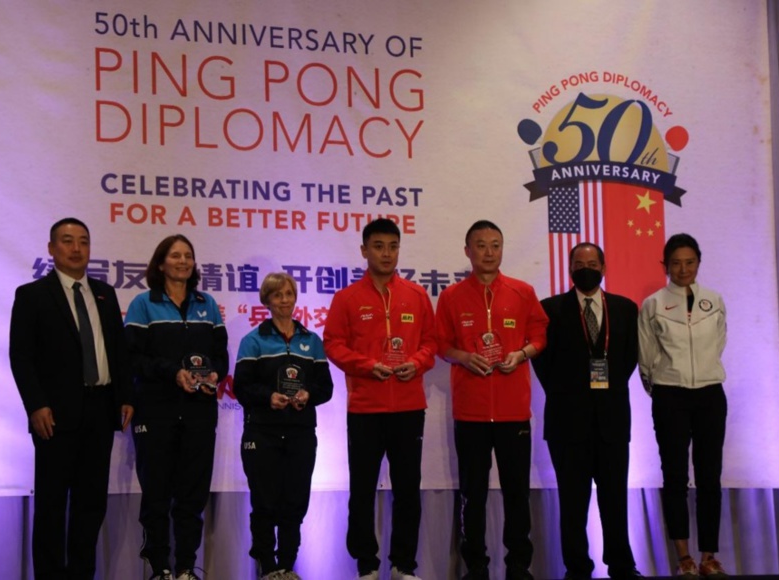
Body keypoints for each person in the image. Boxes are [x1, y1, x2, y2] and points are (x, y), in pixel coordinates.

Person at [9, 217, 133, 580]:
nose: (76, 248)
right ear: (51, 249)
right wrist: (35, 405)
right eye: (67, 241)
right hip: (54, 414)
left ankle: (82, 574)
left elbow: (118, 353)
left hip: (100, 409)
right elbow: (21, 356)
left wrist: (125, 396)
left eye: (83, 241)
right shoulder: (31, 295)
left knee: (90, 504)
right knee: (50, 505)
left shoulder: (105, 294)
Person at [323, 218, 437, 580]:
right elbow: (333, 344)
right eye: (378, 246)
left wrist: (416, 364)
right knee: (362, 489)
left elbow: (431, 344)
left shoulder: (417, 295)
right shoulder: (347, 298)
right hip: (366, 409)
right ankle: (367, 566)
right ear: (364, 251)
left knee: (407, 489)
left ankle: (403, 565)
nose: (386, 254)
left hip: (408, 407)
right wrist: (367, 366)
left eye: (392, 246)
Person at [435, 220, 548, 580]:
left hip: (514, 411)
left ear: (503, 249)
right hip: (471, 413)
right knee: (474, 493)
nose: (488, 252)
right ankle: (476, 566)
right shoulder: (451, 296)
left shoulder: (522, 291)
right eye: (480, 245)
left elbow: (539, 334)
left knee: (517, 492)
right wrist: (463, 357)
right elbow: (440, 345)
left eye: (495, 245)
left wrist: (522, 354)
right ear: (467, 250)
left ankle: (519, 565)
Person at [531, 243, 641, 579]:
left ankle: (621, 565)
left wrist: (604, 389)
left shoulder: (625, 308)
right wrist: (572, 392)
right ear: (569, 269)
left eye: (592, 263)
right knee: (573, 503)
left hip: (612, 420)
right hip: (568, 422)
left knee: (615, 499)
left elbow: (628, 358)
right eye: (579, 263)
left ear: (604, 268)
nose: (586, 268)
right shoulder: (550, 309)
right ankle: (577, 567)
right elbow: (542, 363)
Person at [124, 234, 228, 580]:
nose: (183, 261)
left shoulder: (207, 303)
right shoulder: (143, 303)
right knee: (156, 496)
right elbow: (133, 358)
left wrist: (214, 372)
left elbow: (221, 355)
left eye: (188, 255)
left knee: (192, 496)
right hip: (156, 411)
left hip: (199, 412)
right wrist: (173, 373)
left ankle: (186, 566)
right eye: (175, 255)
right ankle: (159, 567)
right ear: (160, 263)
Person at [638, 233, 728, 579]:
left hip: (710, 395)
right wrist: (662, 387)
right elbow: (646, 358)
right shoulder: (653, 304)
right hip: (670, 396)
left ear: (698, 263)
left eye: (689, 262)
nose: (683, 268)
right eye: (676, 262)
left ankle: (709, 556)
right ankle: (684, 557)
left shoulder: (714, 300)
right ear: (665, 266)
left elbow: (719, 343)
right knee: (674, 476)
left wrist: (703, 374)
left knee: (710, 476)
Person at [234, 272, 334, 580]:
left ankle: (288, 566)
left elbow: (326, 387)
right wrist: (269, 397)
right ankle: (267, 566)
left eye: (289, 294)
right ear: (266, 300)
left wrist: (308, 394)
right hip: (262, 432)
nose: (284, 301)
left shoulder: (311, 340)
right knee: (264, 501)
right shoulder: (253, 340)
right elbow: (241, 387)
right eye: (277, 295)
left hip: (300, 433)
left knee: (295, 501)